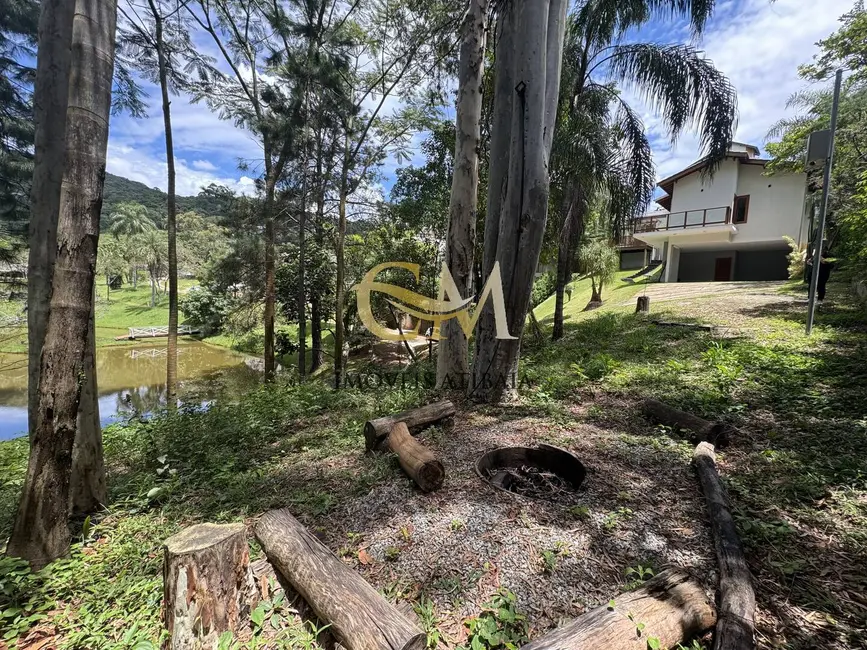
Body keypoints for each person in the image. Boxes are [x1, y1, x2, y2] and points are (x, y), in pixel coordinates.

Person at [806, 241, 835, 306]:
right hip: (812, 273)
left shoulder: (828, 255)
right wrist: (809, 262)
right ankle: (810, 298)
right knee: (811, 286)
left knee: (821, 286)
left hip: (823, 274)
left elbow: (828, 264)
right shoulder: (815, 255)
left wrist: (820, 257)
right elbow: (811, 262)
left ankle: (820, 299)